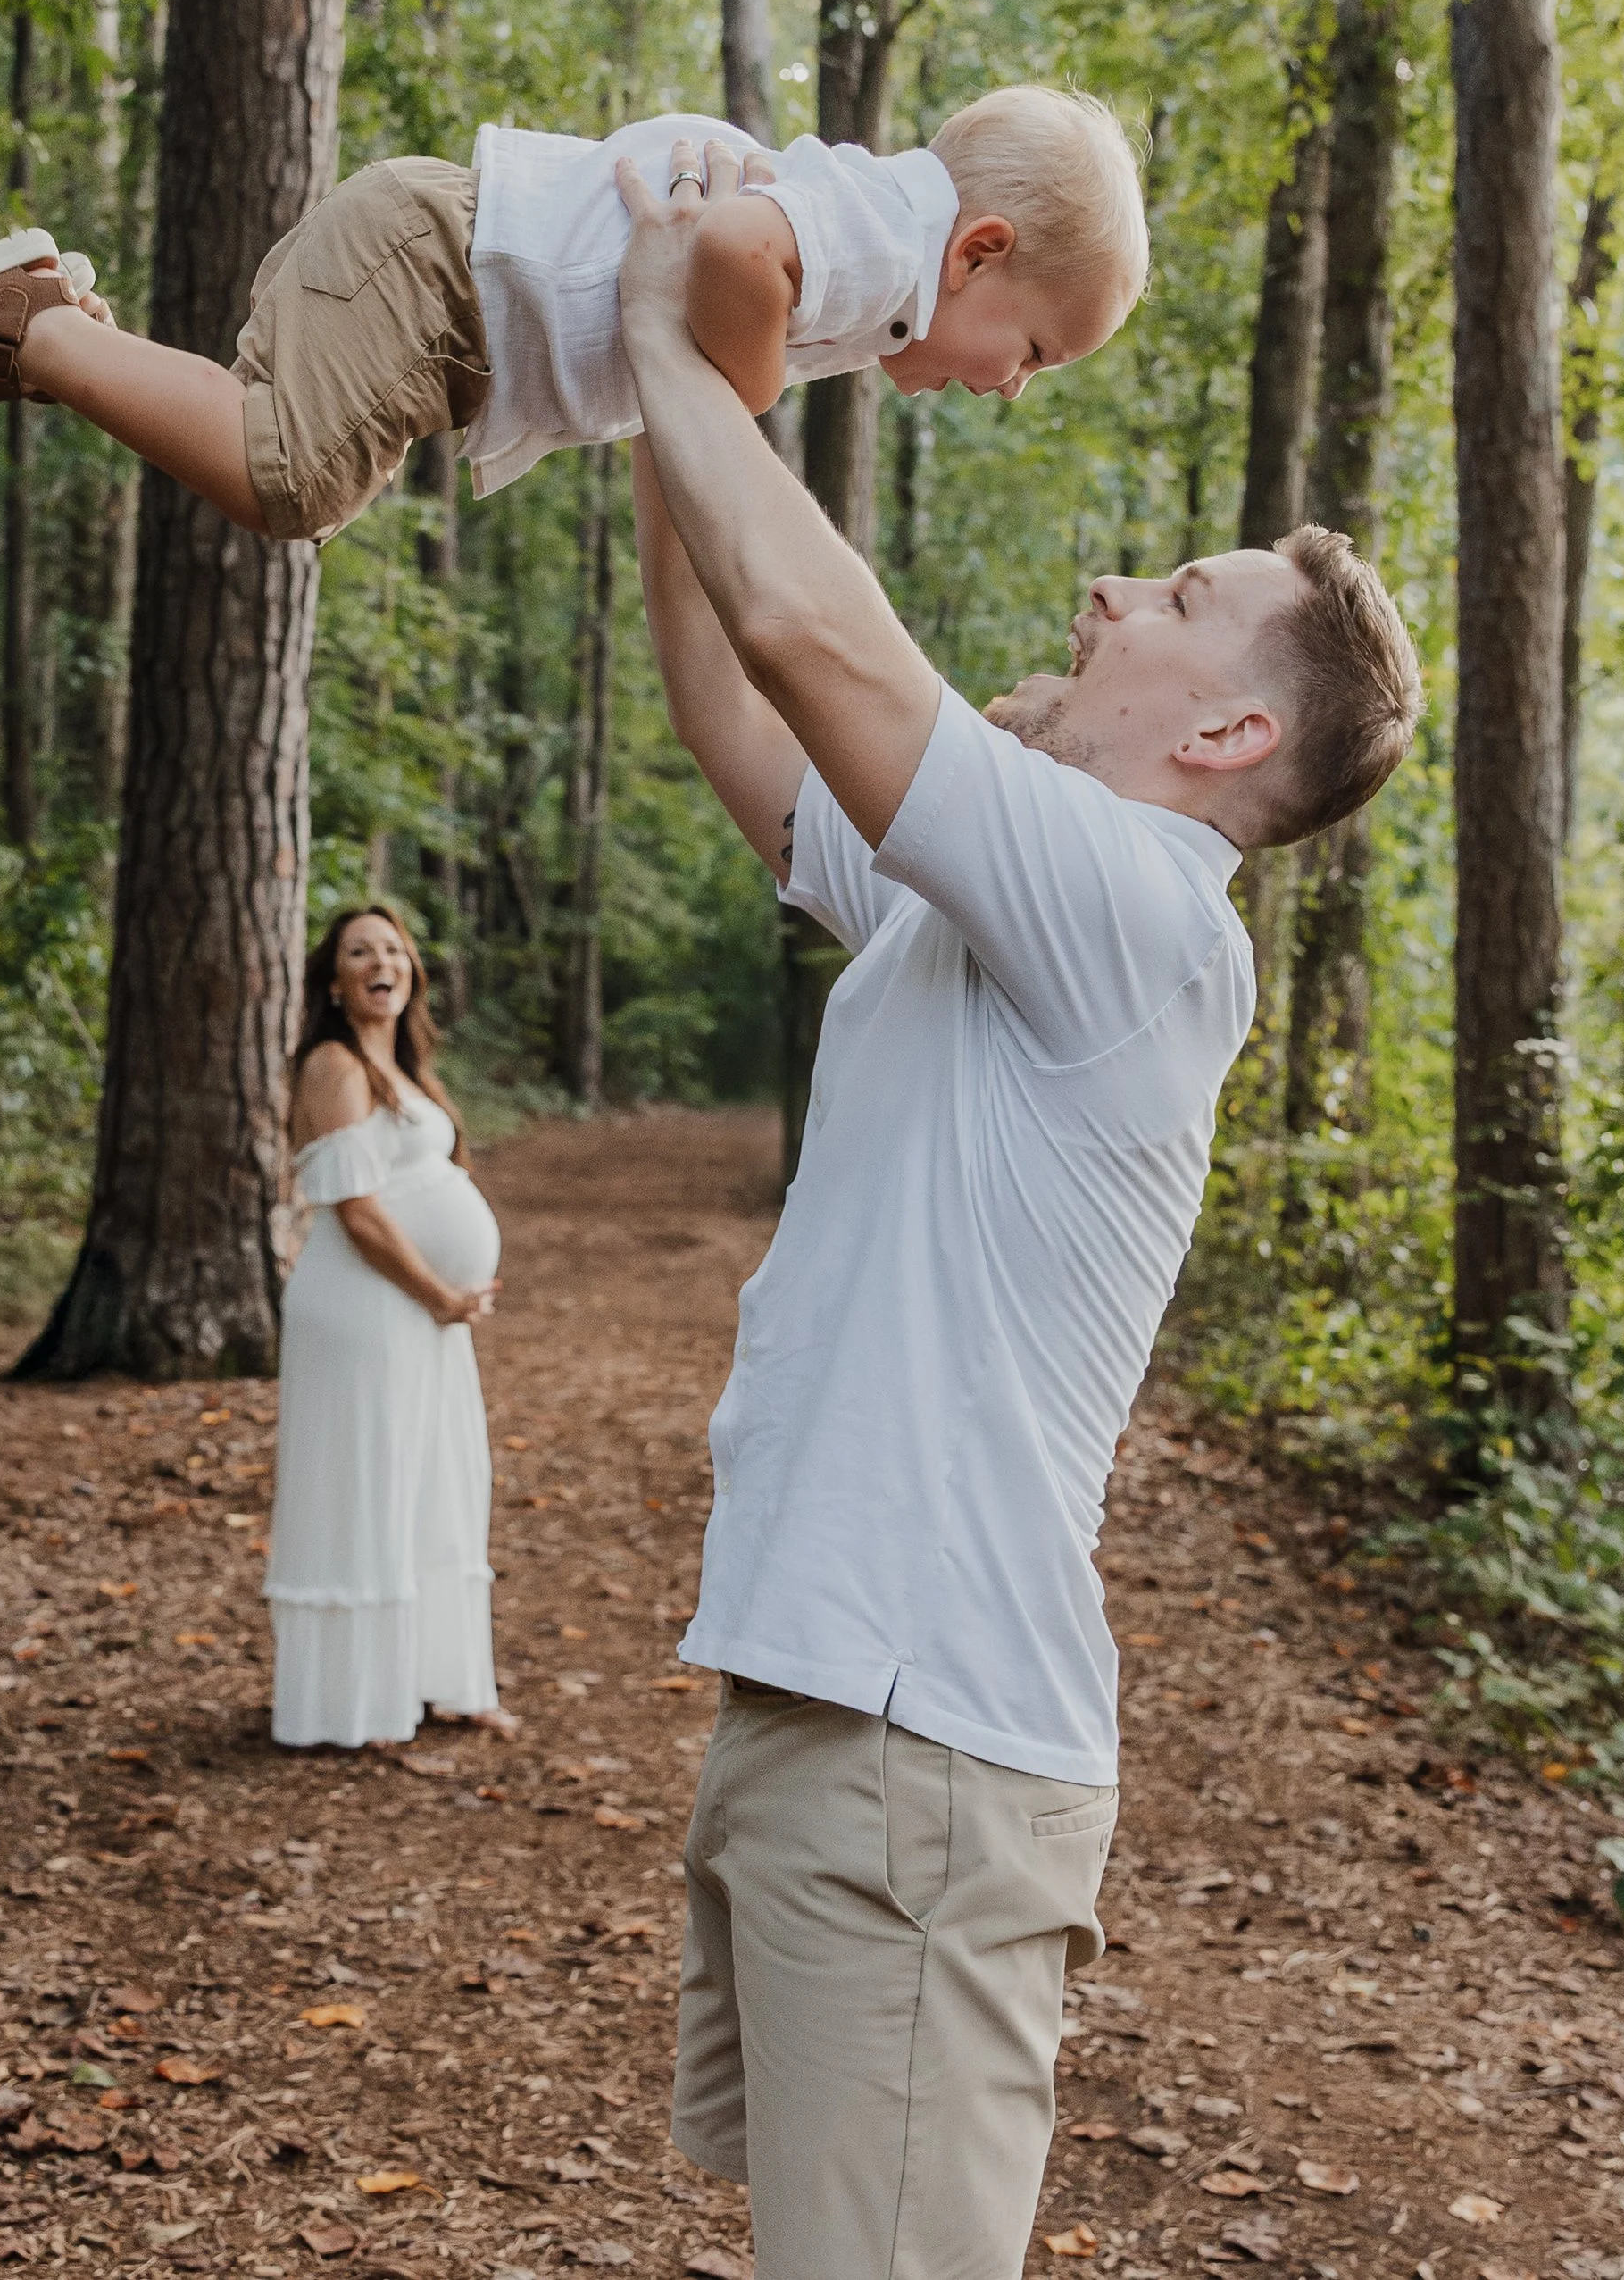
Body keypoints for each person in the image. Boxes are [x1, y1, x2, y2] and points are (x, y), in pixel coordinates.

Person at [614, 142, 1425, 2278]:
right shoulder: (1000, 905)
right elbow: (755, 708)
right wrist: (678, 399)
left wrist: (668, 331)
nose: (1104, 597)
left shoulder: (1144, 911)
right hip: (831, 1715)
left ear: (1233, 725)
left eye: (1168, 601)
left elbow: (821, 626)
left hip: (923, 1752)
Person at [0, 86, 1147, 543]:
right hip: (435, 273)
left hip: (443, 304)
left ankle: (55, 318)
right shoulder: (886, 242)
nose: (1011, 384)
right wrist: (730, 410)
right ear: (982, 252)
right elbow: (745, 245)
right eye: (1036, 350)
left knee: (290, 471)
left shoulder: (882, 242)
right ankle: (36, 329)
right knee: (287, 476)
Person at [265, 904, 506, 1751]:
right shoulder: (333, 1065)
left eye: (394, 949)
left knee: (436, 1483)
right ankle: (353, 1702)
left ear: (412, 971)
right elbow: (358, 1214)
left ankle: (442, 1679)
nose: (382, 962)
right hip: (365, 1307)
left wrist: (447, 1297)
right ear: (334, 981)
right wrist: (440, 1290)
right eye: (360, 951)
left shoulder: (401, 1068)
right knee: (369, 1490)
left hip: (421, 1311)